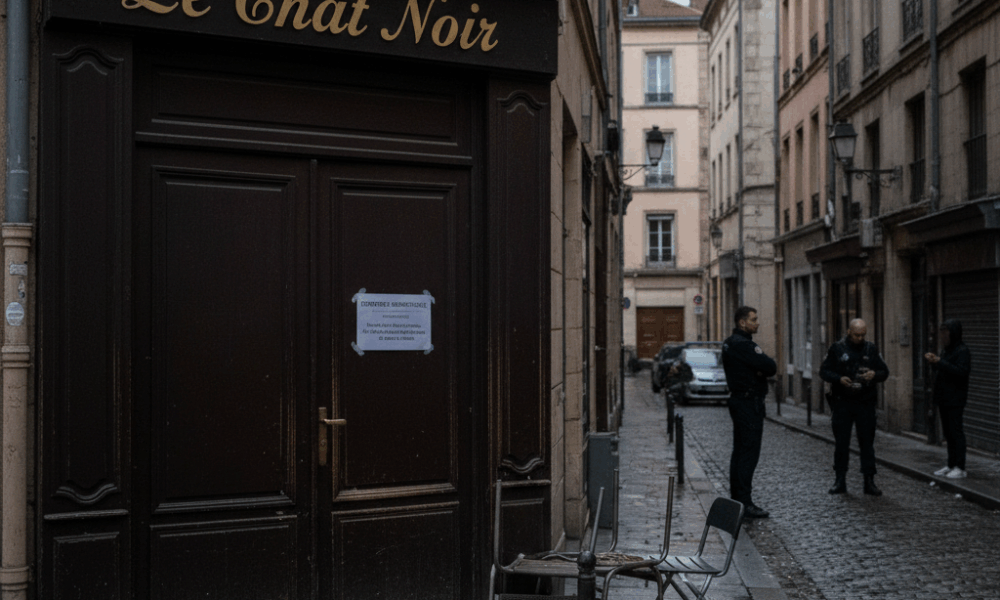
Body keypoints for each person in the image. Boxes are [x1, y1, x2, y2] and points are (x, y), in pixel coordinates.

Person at [820, 319, 889, 496]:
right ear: (849, 332)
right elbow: (824, 371)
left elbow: (884, 372)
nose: (860, 338)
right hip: (843, 402)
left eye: (863, 335)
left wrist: (874, 374)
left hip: (865, 403)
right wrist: (838, 379)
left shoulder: (871, 349)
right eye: (857, 334)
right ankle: (840, 480)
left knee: (867, 443)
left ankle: (869, 481)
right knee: (841, 443)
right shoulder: (837, 348)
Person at [721, 306, 776, 518]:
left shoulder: (729, 343)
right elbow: (770, 366)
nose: (758, 322)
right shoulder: (744, 344)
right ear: (742, 322)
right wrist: (760, 371)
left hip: (739, 400)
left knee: (739, 451)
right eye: (754, 319)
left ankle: (737, 498)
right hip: (748, 403)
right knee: (748, 454)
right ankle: (744, 501)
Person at [925, 319, 971, 479]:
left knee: (956, 432)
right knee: (949, 433)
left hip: (955, 398)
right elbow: (943, 369)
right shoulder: (946, 351)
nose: (943, 337)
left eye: (946, 333)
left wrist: (940, 362)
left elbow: (961, 372)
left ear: (954, 334)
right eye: (942, 333)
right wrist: (934, 362)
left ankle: (960, 466)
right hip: (944, 397)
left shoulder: (962, 351)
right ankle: (951, 464)